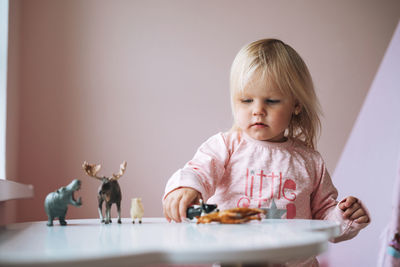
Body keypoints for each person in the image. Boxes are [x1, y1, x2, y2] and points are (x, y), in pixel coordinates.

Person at [162, 39, 370, 265]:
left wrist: (345, 216)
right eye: (246, 100)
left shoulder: (310, 161)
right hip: (235, 262)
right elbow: (198, 172)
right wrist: (185, 187)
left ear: (296, 105)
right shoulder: (225, 146)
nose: (257, 110)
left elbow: (325, 220)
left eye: (271, 101)